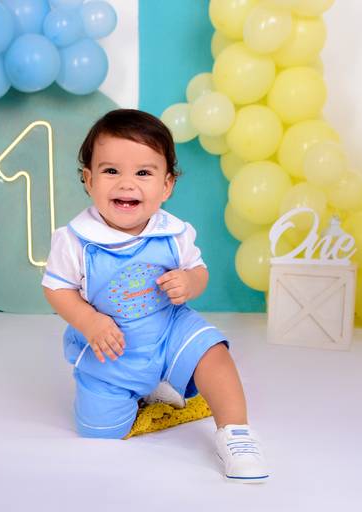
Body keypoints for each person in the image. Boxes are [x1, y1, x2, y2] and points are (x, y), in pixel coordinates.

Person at [41, 109, 269, 483]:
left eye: (143, 173)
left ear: (167, 185)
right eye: (111, 171)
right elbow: (56, 288)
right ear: (89, 179)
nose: (126, 184)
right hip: (111, 347)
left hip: (168, 330)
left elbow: (199, 270)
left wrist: (190, 282)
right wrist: (89, 321)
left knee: (213, 353)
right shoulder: (75, 240)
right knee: (99, 432)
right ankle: (147, 392)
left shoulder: (173, 233)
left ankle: (236, 433)